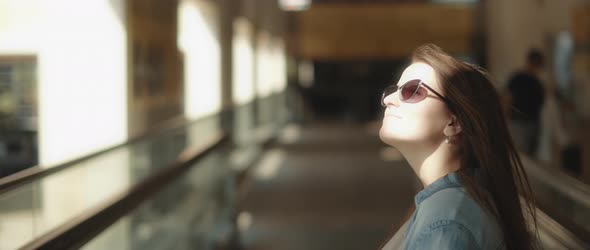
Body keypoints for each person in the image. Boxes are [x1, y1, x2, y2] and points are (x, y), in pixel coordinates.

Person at [379, 44, 538, 250]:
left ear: (454, 123)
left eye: (411, 91)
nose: (389, 100)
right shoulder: (450, 207)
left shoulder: (446, 224)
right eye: (393, 90)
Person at [505, 49, 546, 155]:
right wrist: (506, 117)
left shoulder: (537, 82)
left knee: (529, 155)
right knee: (521, 154)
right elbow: (508, 98)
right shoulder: (518, 78)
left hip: (532, 122)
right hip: (519, 122)